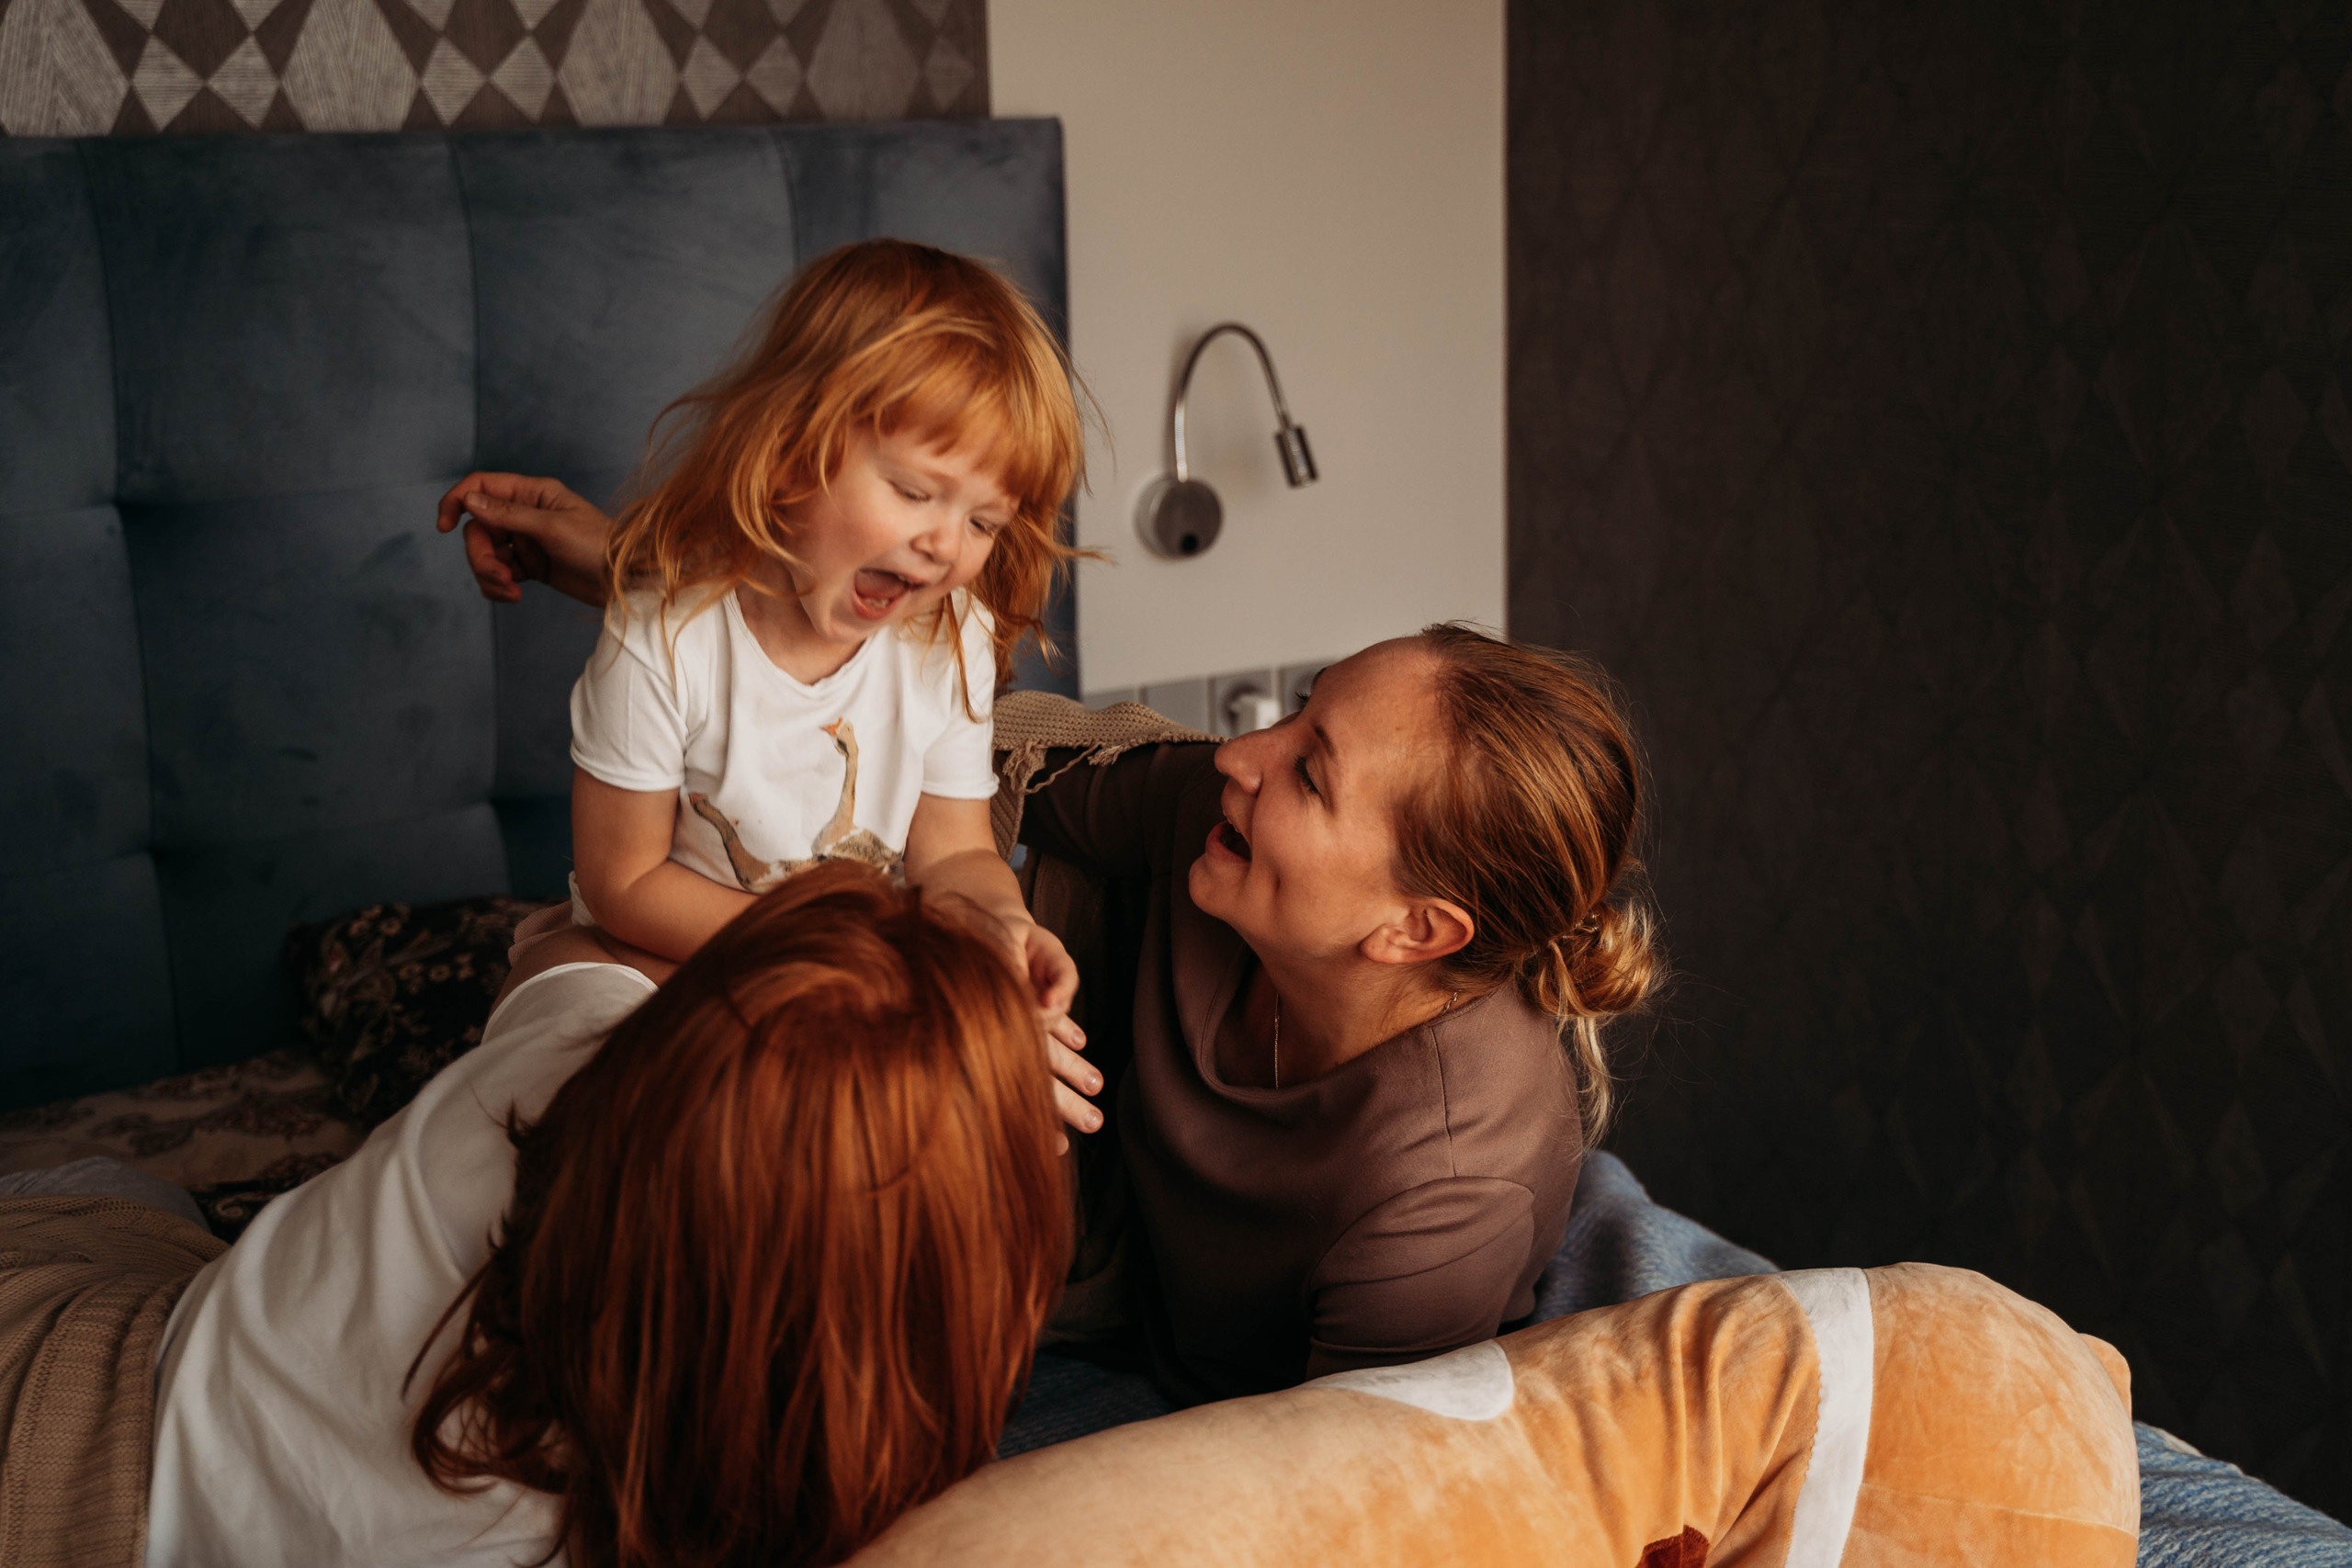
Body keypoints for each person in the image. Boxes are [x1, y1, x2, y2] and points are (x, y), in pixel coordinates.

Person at [434, 462, 1660, 1404]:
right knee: (596, 985)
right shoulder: (1212, 815)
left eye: (1311, 773)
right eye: (1295, 713)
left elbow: (1331, 1483)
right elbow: (962, 757)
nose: (1239, 754)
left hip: (1116, 1327)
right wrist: (657, 590)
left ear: (1415, 929)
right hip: (1037, 1206)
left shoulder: (1442, 1197)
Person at [138, 863, 1069, 1568]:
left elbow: (565, 942)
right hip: (95, 1433)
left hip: (157, 1353)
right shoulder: (775, 1463)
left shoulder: (559, 1058)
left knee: (121, 1196)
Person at [435, 239, 1088, 1090]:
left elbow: (955, 856)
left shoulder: (947, 640)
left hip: (835, 972)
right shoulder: (665, 636)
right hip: (643, 958)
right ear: (792, 448)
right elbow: (625, 880)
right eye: (917, 492)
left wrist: (1001, 924)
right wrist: (836, 956)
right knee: (583, 1095)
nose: (942, 547)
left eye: (984, 523)